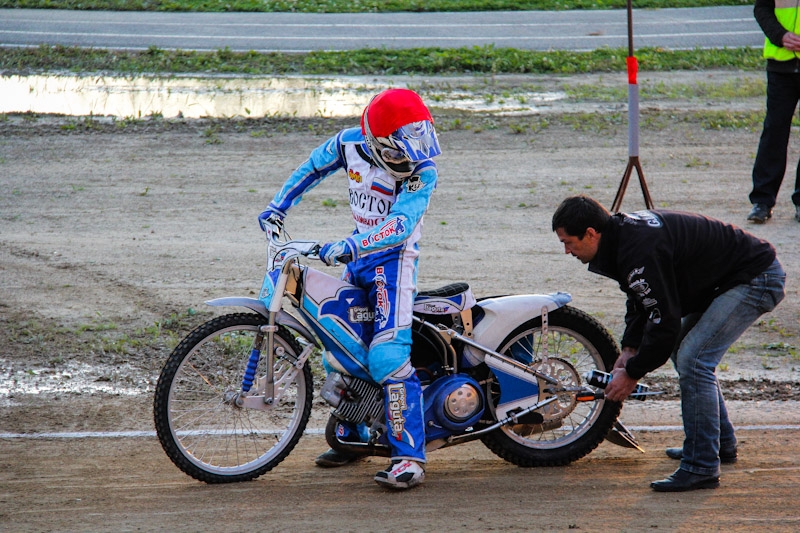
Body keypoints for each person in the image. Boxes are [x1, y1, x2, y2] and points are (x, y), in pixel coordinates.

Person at [257, 88, 441, 490]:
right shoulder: (347, 143)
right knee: (337, 344)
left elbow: (401, 225)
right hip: (356, 257)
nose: (406, 161)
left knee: (388, 356)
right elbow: (311, 168)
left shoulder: (423, 169)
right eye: (395, 153)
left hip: (394, 264)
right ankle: (355, 434)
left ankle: (409, 457)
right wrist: (276, 208)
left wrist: (351, 245)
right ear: (374, 141)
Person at [552, 195, 785, 492]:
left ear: (590, 233)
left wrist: (633, 373)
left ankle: (701, 466)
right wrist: (630, 348)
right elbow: (640, 297)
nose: (566, 251)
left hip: (755, 277)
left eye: (568, 242)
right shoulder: (622, 239)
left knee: (694, 359)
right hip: (729, 278)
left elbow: (664, 323)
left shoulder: (638, 250)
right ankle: (718, 444)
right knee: (684, 351)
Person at [748, 0, 800, 223]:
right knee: (774, 132)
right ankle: (762, 201)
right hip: (781, 66)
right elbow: (762, 8)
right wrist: (781, 36)